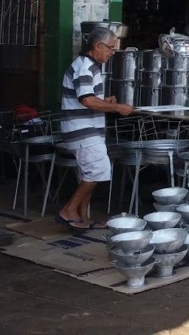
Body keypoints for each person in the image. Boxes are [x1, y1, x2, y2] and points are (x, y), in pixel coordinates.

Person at [57, 27, 134, 231]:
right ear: (98, 46)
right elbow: (87, 100)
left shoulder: (91, 66)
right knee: (98, 171)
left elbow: (88, 98)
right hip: (82, 130)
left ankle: (84, 217)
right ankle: (69, 210)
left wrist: (105, 102)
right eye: (110, 48)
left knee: (89, 174)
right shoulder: (84, 67)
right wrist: (117, 107)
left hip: (87, 129)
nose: (111, 53)